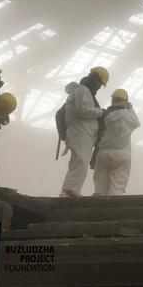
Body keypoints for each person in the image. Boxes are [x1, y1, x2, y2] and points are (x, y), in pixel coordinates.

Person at [59, 67, 109, 197]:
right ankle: (68, 193)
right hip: (79, 132)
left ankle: (70, 191)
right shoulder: (83, 90)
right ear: (95, 79)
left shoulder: (84, 91)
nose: (99, 87)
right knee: (80, 162)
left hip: (83, 133)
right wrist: (102, 112)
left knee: (80, 163)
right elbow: (84, 111)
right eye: (99, 83)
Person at [92, 88, 139, 196]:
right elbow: (136, 123)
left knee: (100, 185)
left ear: (112, 101)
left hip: (103, 153)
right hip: (122, 154)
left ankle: (98, 207)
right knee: (118, 186)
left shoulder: (104, 115)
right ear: (125, 101)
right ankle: (114, 208)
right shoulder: (128, 116)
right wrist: (130, 108)